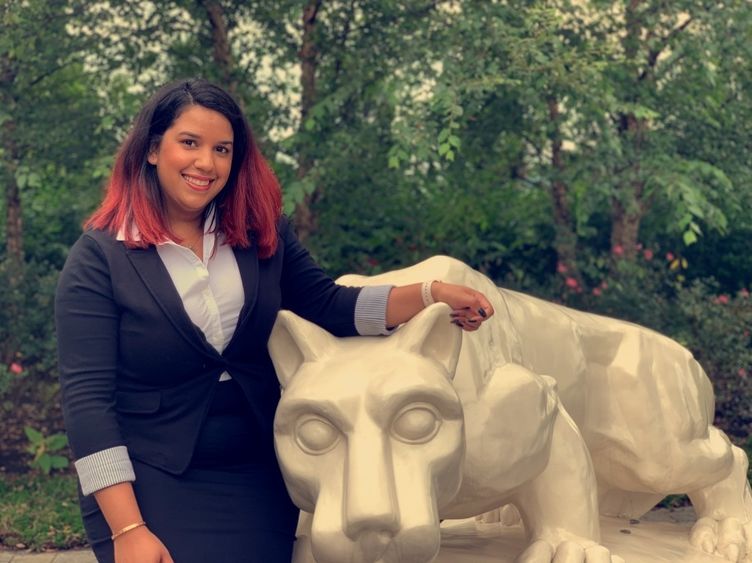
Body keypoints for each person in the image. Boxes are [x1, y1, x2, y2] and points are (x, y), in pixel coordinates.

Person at [55, 78, 494, 563]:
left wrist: (432, 294)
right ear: (153, 150)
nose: (206, 162)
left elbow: (329, 305)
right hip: (149, 476)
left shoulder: (259, 233)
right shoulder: (98, 259)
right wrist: (128, 529)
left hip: (253, 470)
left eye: (222, 149)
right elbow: (87, 407)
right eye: (190, 143)